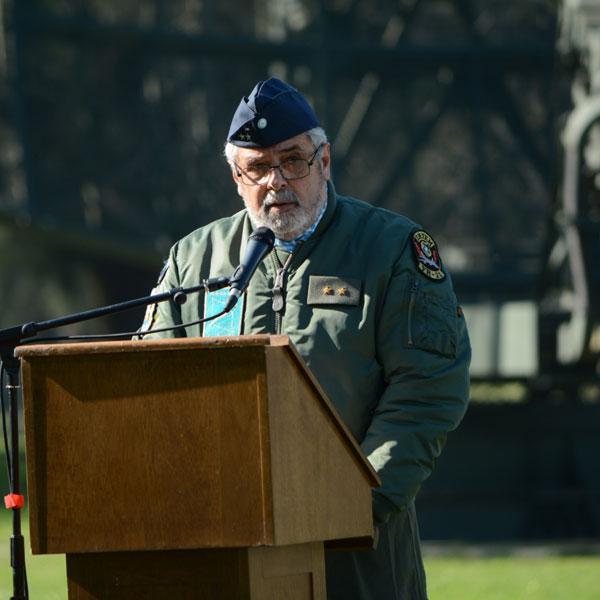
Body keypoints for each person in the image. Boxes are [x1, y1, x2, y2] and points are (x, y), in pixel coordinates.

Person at [140, 77, 470, 600]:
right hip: (221, 551)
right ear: (235, 177)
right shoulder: (194, 259)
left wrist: (353, 504)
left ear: (325, 161)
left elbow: (428, 391)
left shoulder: (393, 250)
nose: (277, 181)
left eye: (293, 160)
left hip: (355, 553)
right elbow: (147, 391)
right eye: (258, 167)